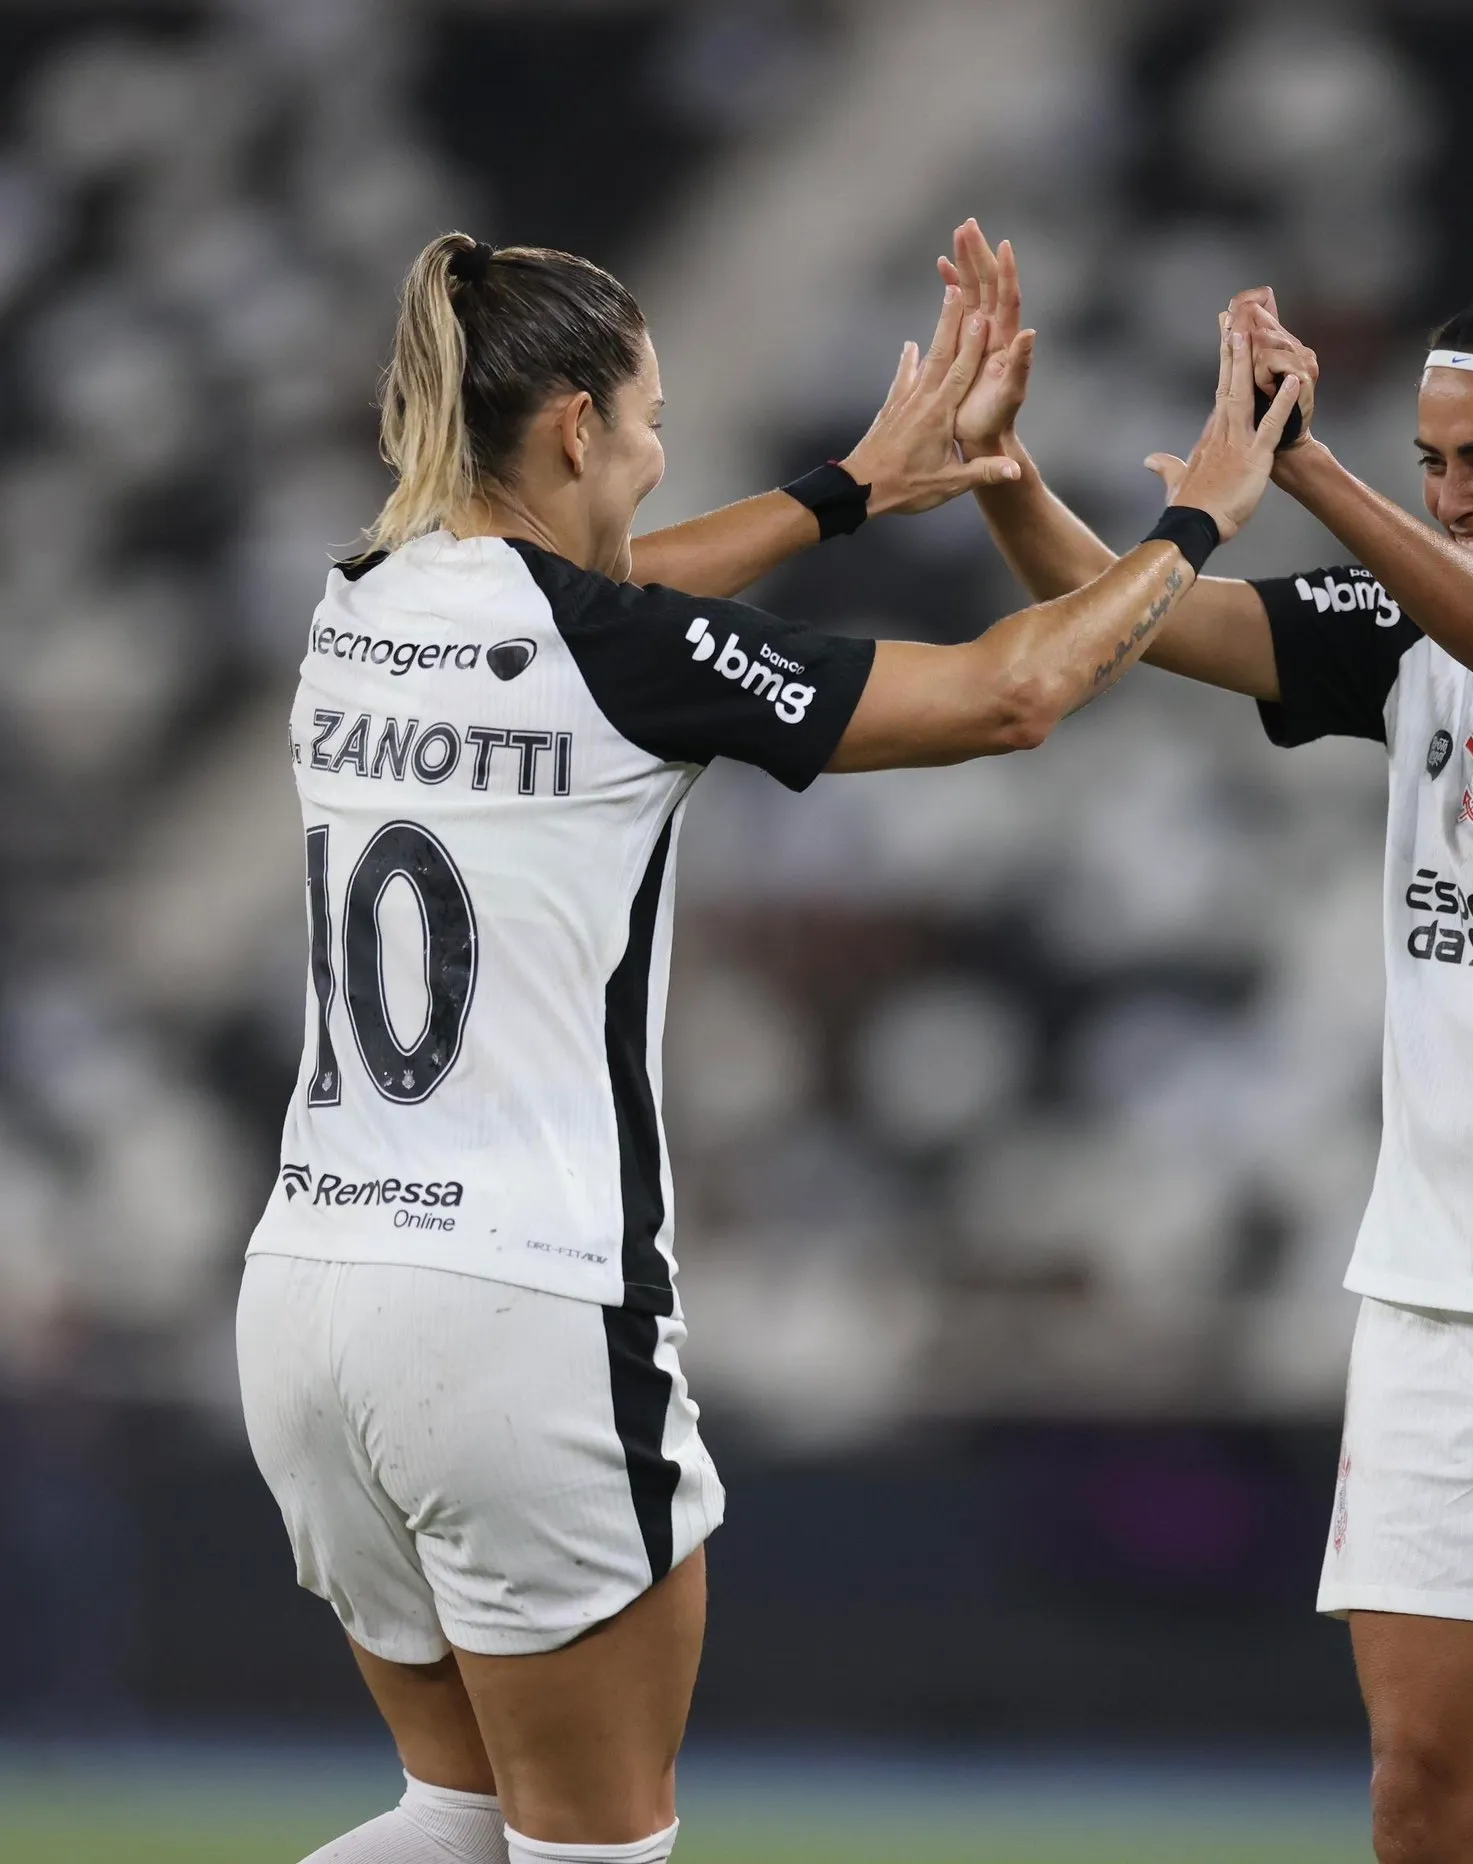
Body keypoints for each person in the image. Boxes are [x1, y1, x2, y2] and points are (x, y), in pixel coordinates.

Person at [238, 229, 1301, 1864]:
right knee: (598, 1848)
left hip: (309, 1299)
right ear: (579, 428)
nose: (662, 457)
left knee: (451, 1821)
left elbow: (604, 605)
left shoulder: (358, 604)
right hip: (515, 1309)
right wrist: (1199, 522)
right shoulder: (610, 658)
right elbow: (1010, 693)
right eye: (653, 421)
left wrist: (852, 488)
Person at [942, 220, 1473, 1864]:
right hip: (1436, 1295)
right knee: (1421, 1802)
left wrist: (1309, 471)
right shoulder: (1415, 626)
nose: (1454, 495)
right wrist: (1002, 474)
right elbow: (1149, 619)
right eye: (1432, 463)